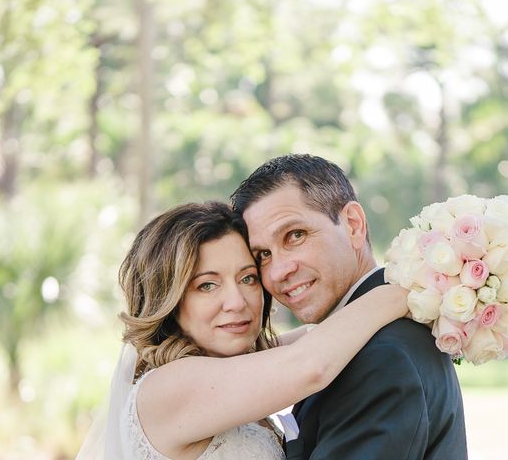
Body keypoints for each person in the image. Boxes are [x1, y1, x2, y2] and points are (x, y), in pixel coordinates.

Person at [76, 201, 409, 459]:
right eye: (207, 286)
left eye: (248, 278)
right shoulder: (166, 387)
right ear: (170, 301)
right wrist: (420, 287)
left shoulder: (231, 368)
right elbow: (310, 365)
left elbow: (317, 336)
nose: (236, 302)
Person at [231, 154, 468, 460]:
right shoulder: (349, 340)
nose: (278, 272)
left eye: (295, 235)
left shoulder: (384, 356)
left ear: (353, 225)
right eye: (263, 254)